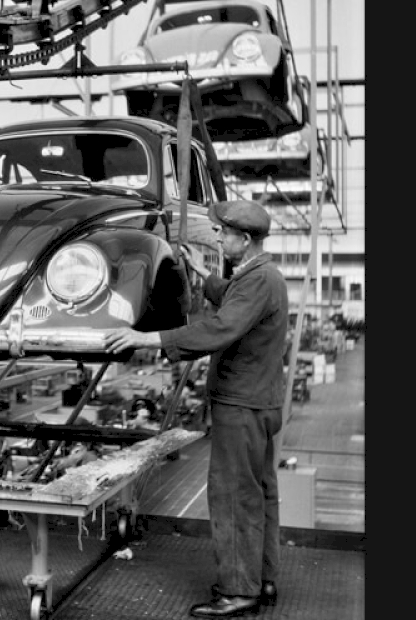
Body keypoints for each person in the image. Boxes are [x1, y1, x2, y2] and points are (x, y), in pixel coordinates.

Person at [103, 200, 288, 618]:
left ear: (245, 238)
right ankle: (263, 578)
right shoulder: (263, 276)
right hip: (261, 403)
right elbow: (233, 297)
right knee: (260, 493)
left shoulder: (257, 282)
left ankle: (239, 591)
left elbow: (222, 327)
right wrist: (205, 276)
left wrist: (149, 339)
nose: (218, 238)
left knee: (233, 496)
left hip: (241, 406)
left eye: (223, 233)